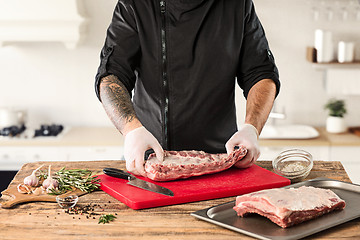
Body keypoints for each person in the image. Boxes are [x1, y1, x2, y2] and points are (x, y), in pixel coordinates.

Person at [95, 0, 280, 177]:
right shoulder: (135, 4)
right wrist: (131, 130)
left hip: (222, 158)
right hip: (149, 157)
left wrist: (252, 127)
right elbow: (112, 75)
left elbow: (261, 73)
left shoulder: (238, 4)